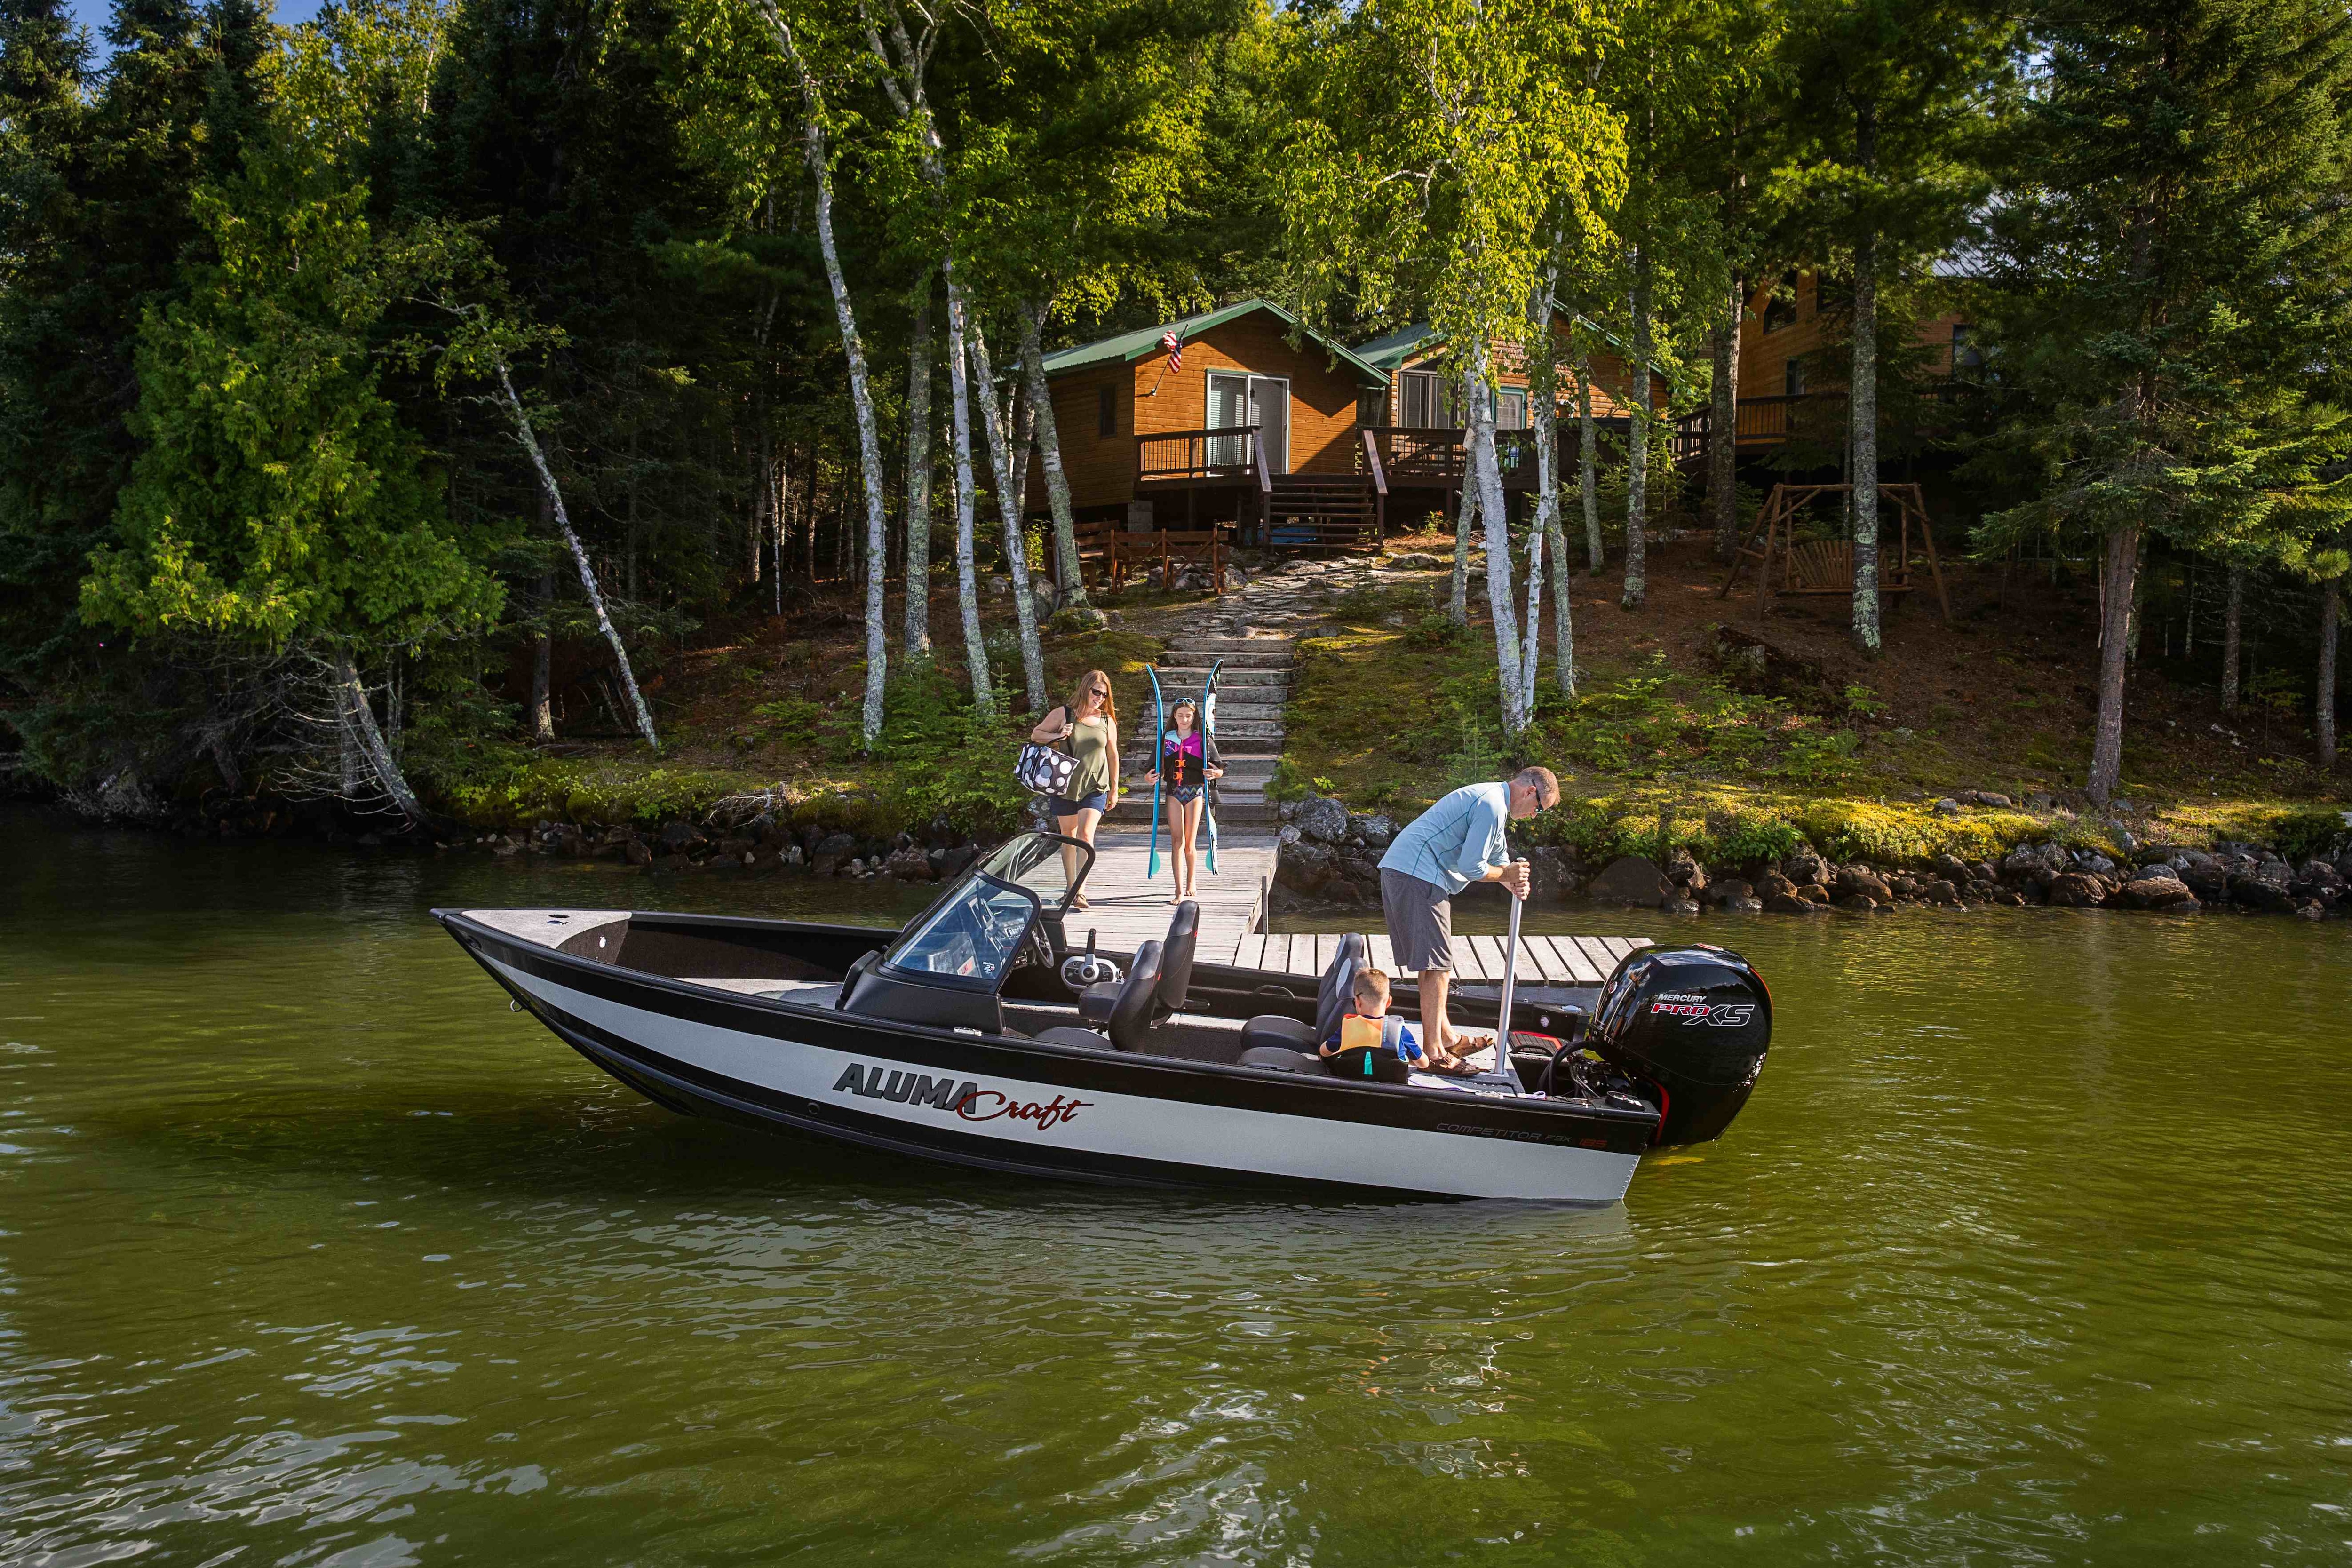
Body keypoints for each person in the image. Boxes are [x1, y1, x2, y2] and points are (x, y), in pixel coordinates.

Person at [1376, 766, 1560, 1066]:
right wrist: (1506, 874)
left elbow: (1499, 860)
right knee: (1438, 965)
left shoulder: (1495, 804)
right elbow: (1472, 868)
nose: (1533, 816)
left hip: (1412, 871)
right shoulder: (1491, 805)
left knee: (1434, 964)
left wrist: (1513, 881)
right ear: (1530, 792)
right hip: (1416, 872)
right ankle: (1435, 1053)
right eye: (1539, 809)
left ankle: (1446, 1038)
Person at [1028, 670, 1120, 909]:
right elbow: (1036, 734)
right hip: (1065, 785)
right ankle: (1070, 888)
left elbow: (1112, 753)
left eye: (1104, 694)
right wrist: (1059, 734)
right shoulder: (1065, 714)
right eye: (1096, 692)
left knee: (1086, 835)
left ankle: (1080, 891)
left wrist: (1114, 787)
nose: (1100, 697)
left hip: (1096, 785)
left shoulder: (1107, 721)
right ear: (1085, 689)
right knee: (1068, 838)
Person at [1130, 696, 1224, 905]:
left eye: (1188, 716)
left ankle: (1192, 881)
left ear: (1194, 717)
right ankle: (1178, 890)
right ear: (1174, 716)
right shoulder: (1167, 738)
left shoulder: (1203, 740)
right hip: (1174, 792)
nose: (1184, 719)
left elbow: (1220, 768)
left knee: (1190, 844)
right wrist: (1149, 777)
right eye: (1180, 715)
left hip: (1195, 792)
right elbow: (1151, 769)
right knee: (1176, 842)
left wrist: (1216, 774)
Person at [1318, 967, 1429, 1082]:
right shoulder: (1400, 1031)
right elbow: (1424, 1063)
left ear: (1358, 1002)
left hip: (1350, 1090)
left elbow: (1324, 1052)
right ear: (1389, 1002)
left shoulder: (1347, 1028)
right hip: (1392, 1095)